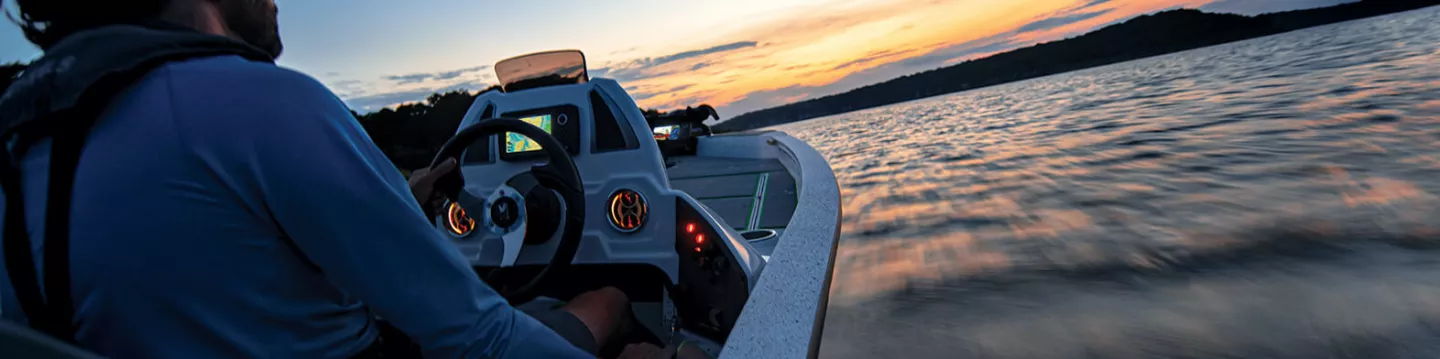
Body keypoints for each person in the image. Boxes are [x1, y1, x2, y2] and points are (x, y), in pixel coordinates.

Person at [0, 0, 694, 358]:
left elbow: (234, 264)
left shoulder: (20, 148)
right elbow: (481, 340)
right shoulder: (260, 105)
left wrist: (399, 201)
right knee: (604, 298)